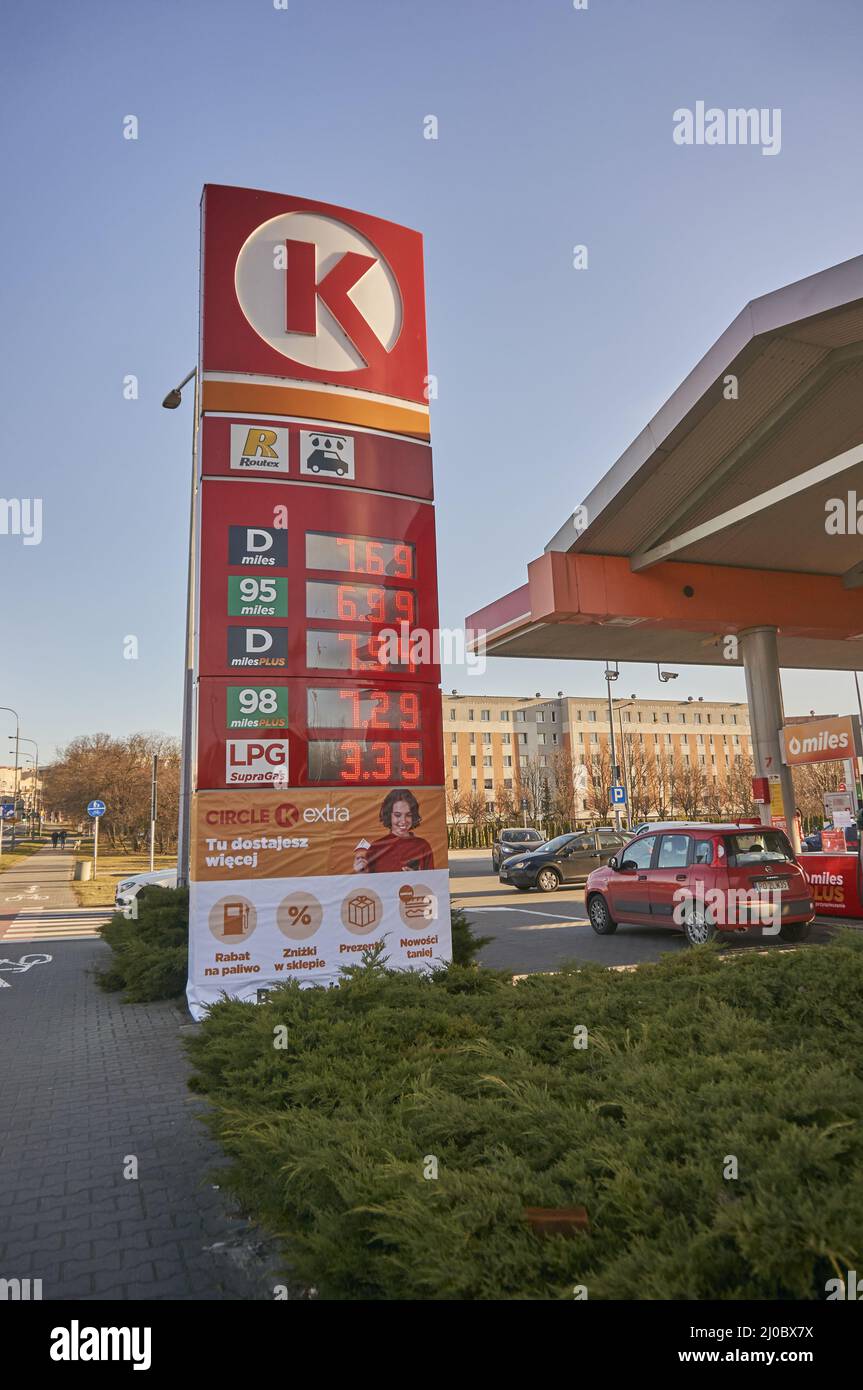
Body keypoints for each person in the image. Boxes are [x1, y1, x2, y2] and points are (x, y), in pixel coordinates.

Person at [354, 789, 434, 873]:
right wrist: (361, 872)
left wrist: (416, 878)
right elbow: (368, 883)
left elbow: (432, 882)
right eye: (397, 815)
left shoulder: (423, 846)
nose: (403, 821)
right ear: (389, 815)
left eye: (408, 815)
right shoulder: (375, 847)